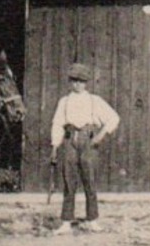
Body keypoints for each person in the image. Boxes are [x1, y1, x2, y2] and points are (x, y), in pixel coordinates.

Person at [48, 62, 120, 234]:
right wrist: (55, 146)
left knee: (89, 180)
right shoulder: (64, 102)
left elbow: (114, 118)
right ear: (69, 82)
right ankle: (66, 221)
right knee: (69, 181)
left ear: (86, 82)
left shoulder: (94, 101)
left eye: (81, 81)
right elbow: (57, 124)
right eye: (74, 81)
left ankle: (92, 219)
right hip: (70, 140)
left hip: (88, 142)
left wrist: (100, 135)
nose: (77, 84)